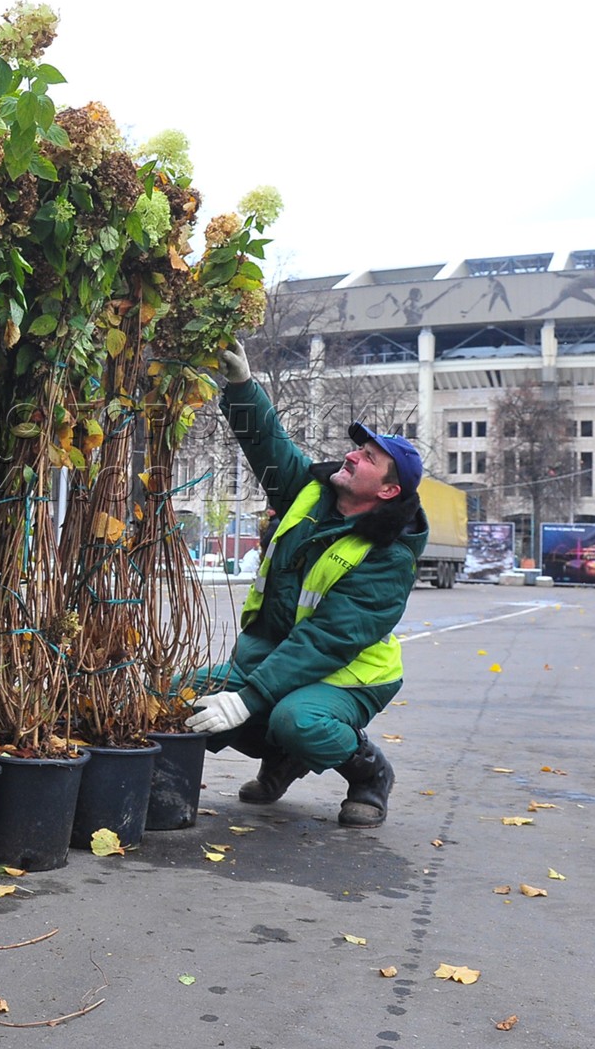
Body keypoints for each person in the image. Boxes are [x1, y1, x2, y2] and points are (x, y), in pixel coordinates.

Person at [185, 340, 428, 827]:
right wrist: (241, 386)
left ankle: (369, 774)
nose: (353, 455)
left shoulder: (388, 557)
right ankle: (283, 757)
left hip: (350, 674)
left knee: (295, 719)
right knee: (185, 696)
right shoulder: (310, 492)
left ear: (388, 490)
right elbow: (268, 446)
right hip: (276, 654)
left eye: (368, 457)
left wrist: (249, 699)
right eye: (358, 447)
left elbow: (326, 641)